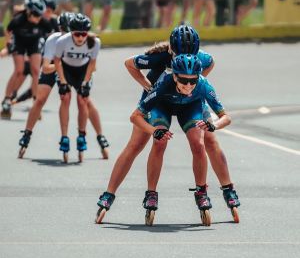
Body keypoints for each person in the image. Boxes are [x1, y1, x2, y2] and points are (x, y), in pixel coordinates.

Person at [95, 25, 240, 224]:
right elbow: (129, 63)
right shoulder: (159, 58)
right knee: (139, 144)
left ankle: (226, 189)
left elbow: (210, 64)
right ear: (171, 49)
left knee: (206, 143)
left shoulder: (200, 62)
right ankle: (110, 194)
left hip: (189, 101)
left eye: (190, 55)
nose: (185, 58)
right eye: (180, 55)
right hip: (158, 99)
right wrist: (147, 86)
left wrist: (192, 84)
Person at [18, 12, 109, 160]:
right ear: (60, 28)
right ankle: (27, 133)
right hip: (54, 67)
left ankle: (100, 136)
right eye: (64, 30)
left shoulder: (87, 40)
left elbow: (93, 65)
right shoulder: (55, 40)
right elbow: (46, 67)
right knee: (40, 99)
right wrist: (63, 68)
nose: (72, 37)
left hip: (71, 68)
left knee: (86, 101)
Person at [53, 13, 106, 162]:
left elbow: (92, 64)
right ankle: (64, 136)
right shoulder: (62, 41)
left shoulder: (94, 42)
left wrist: (85, 83)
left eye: (83, 34)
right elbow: (57, 62)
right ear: (71, 32)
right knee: (65, 97)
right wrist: (63, 81)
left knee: (83, 99)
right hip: (66, 69)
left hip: (83, 71)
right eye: (77, 34)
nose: (80, 38)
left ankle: (81, 135)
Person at [1, 0, 52, 119]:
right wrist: (8, 45)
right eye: (35, 15)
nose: (38, 18)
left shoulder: (43, 21)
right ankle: (7, 99)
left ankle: (36, 102)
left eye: (40, 15)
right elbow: (8, 31)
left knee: (35, 71)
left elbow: (50, 35)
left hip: (33, 43)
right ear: (28, 12)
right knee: (19, 70)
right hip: (19, 43)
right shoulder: (18, 20)